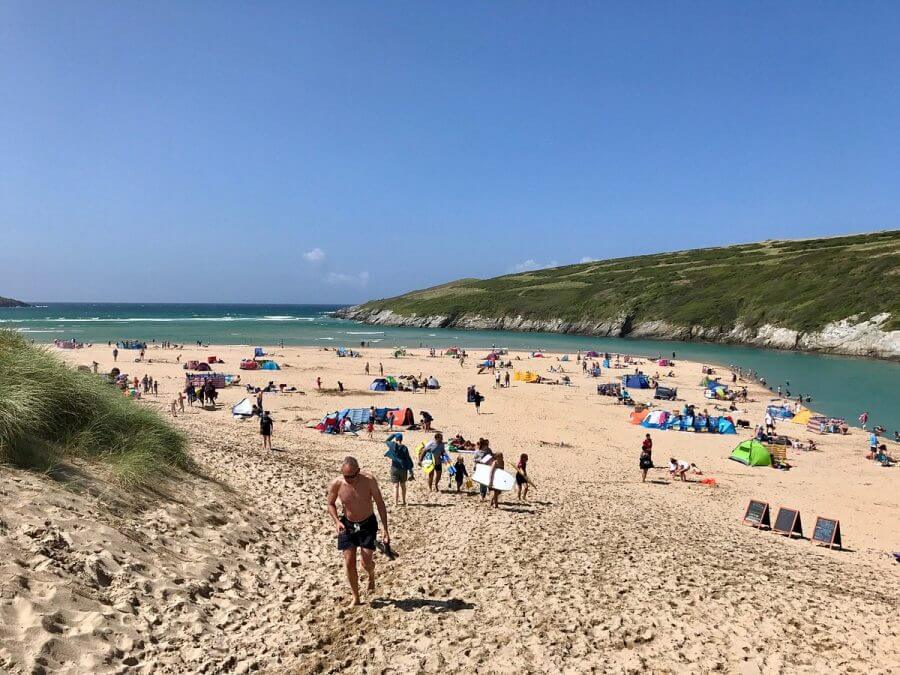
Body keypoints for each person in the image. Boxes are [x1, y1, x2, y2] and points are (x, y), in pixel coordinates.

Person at [326, 457, 390, 607]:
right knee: (349, 562)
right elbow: (330, 503)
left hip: (367, 524)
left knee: (366, 563)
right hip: (347, 525)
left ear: (358, 472)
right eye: (345, 476)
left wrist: (385, 528)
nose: (348, 479)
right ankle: (356, 597)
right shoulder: (337, 483)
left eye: (351, 476)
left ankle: (371, 574)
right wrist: (336, 521)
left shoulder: (369, 480)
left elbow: (380, 503)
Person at [384, 433, 413, 505]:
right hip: (403, 469)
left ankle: (396, 503)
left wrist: (393, 435)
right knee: (403, 485)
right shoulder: (404, 448)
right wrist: (411, 471)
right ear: (402, 439)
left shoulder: (392, 445)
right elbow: (408, 459)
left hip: (394, 468)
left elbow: (387, 440)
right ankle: (403, 501)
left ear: (396, 439)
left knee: (395, 486)